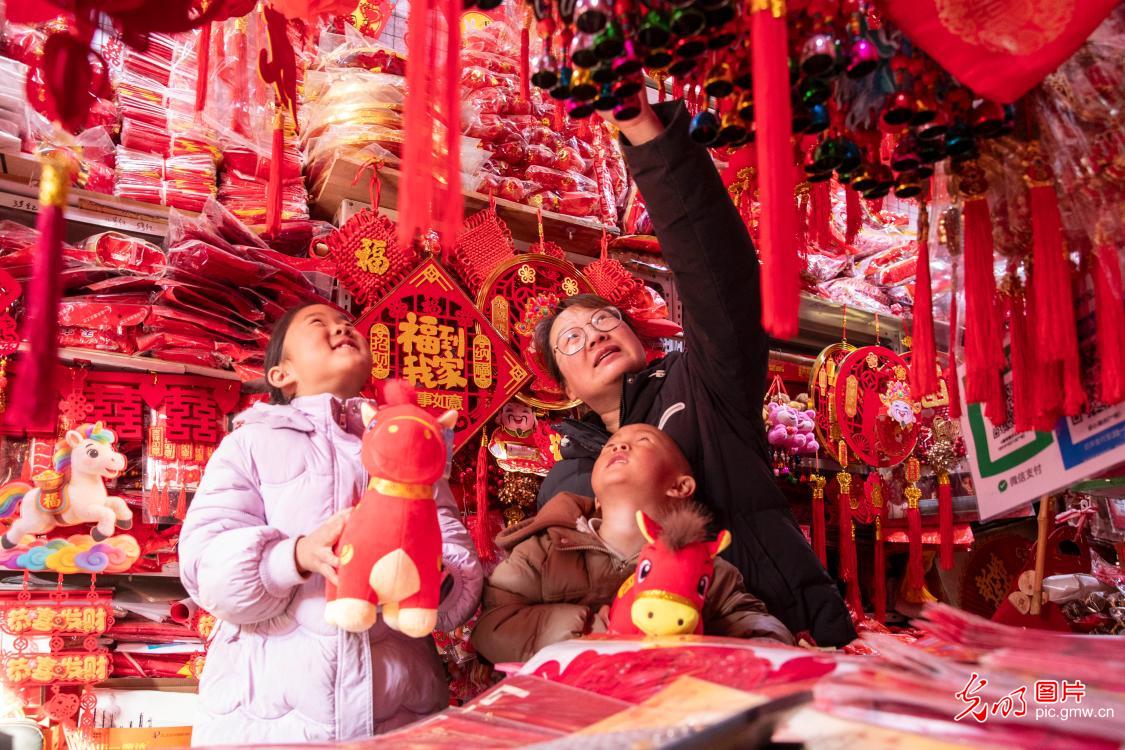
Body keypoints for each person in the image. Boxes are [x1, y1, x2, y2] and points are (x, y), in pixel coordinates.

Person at [533, 97, 855, 647]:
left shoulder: (701, 379)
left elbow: (719, 276)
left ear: (637, 333)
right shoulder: (565, 482)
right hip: (655, 676)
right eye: (571, 339)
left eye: (605, 320)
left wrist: (646, 137)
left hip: (788, 634)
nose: (594, 336)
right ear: (564, 388)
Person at [179, 303, 483, 745]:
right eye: (318, 325)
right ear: (282, 374)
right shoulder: (248, 444)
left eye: (347, 324)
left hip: (397, 707)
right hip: (266, 716)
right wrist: (293, 557)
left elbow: (451, 542)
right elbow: (204, 565)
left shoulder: (406, 438)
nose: (341, 327)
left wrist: (434, 579)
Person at [472, 423, 794, 664]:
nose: (618, 448)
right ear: (596, 495)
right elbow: (493, 626)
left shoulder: (706, 567)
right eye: (609, 446)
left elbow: (755, 625)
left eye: (642, 441)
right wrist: (602, 631)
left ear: (681, 487)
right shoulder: (545, 549)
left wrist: (771, 652)